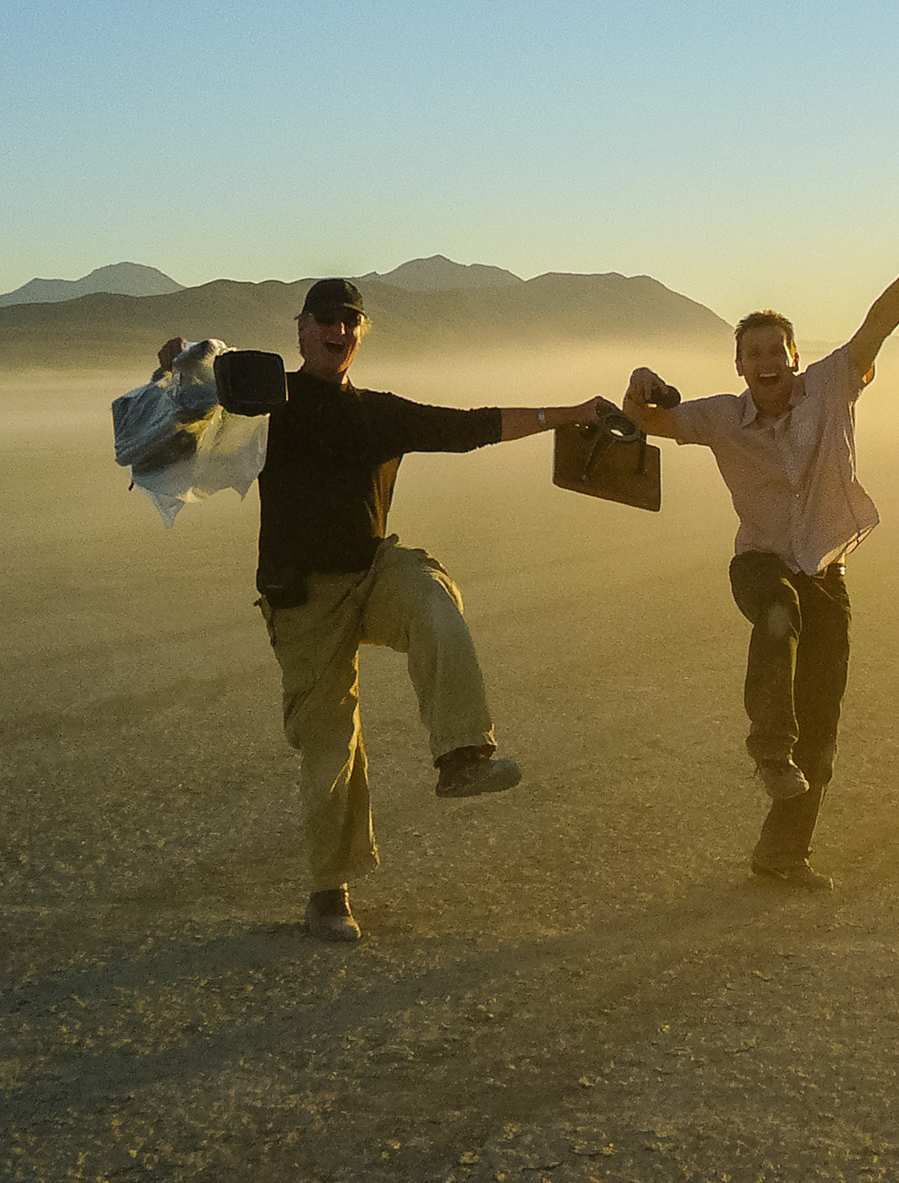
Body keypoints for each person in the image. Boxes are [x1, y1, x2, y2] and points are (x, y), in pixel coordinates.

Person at [155, 278, 608, 942]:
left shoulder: (377, 413)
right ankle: (328, 893)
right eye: (325, 318)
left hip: (372, 574)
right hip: (303, 598)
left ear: (360, 334)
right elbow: (187, 427)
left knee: (433, 595)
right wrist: (176, 376)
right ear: (302, 328)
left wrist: (568, 414)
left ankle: (462, 757)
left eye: (351, 321)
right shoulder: (262, 400)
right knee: (331, 747)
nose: (338, 330)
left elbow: (471, 427)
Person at [621, 253, 899, 891]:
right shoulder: (719, 415)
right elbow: (648, 421)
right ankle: (770, 748)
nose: (766, 360)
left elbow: (874, 331)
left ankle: (782, 855)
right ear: (740, 366)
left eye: (777, 348)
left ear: (795, 358)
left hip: (827, 572)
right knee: (777, 612)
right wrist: (642, 385)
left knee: (821, 725)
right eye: (753, 352)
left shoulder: (831, 385)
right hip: (760, 563)